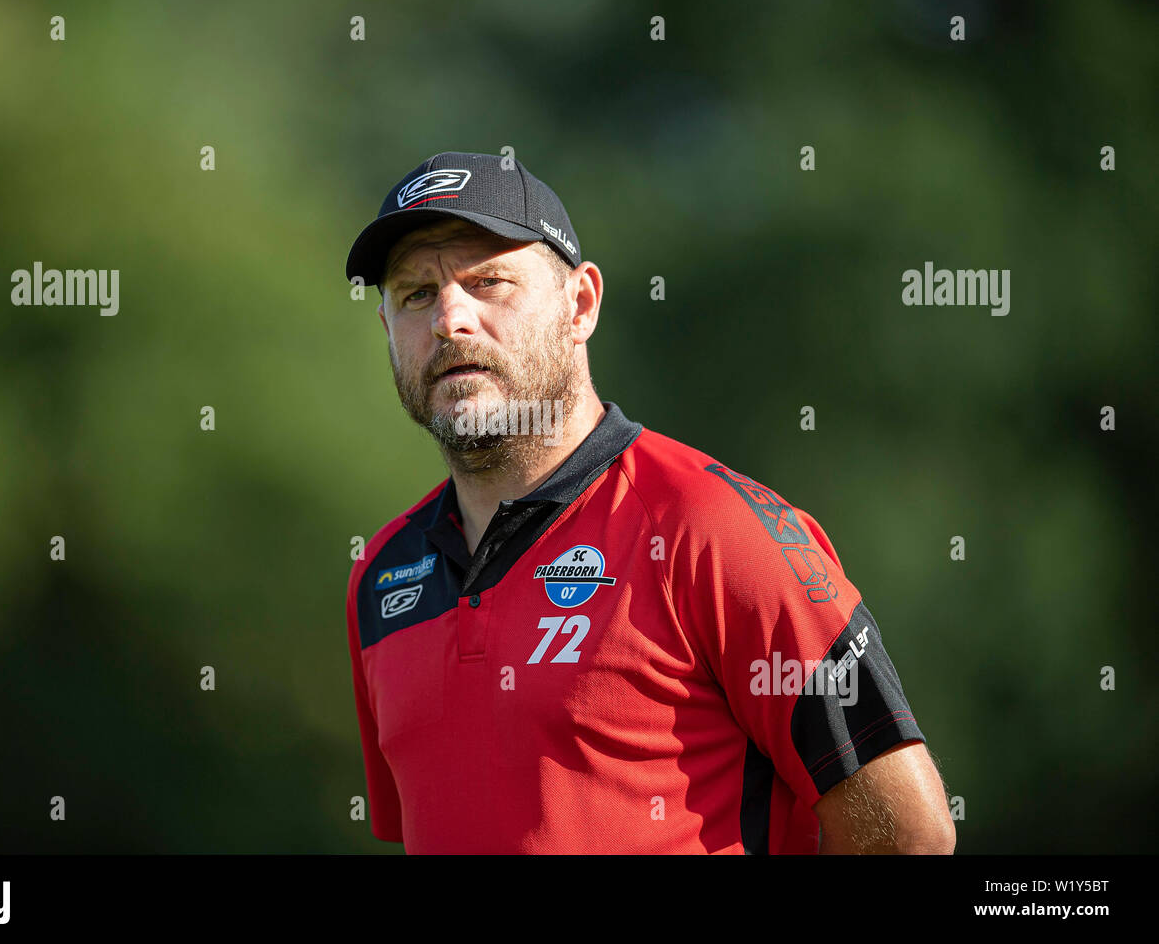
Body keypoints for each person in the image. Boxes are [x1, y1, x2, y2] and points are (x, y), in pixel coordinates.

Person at [342, 151, 955, 853]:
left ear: (581, 305)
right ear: (389, 330)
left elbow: (908, 836)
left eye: (489, 282)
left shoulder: (713, 526)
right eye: (416, 294)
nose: (451, 318)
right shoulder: (382, 574)